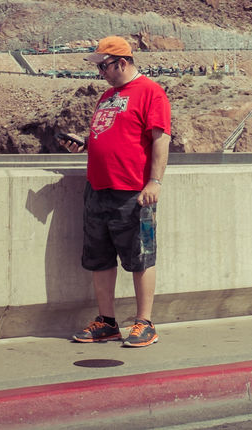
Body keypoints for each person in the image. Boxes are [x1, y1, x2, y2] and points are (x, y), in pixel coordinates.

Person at [70, 35, 171, 348]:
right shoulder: (107, 96)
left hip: (131, 191)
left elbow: (160, 138)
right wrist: (86, 143)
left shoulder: (150, 92)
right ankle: (107, 322)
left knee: (139, 257)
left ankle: (144, 322)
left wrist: (155, 181)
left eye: (104, 66)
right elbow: (114, 134)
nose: (100, 72)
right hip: (98, 189)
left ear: (122, 62)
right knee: (100, 258)